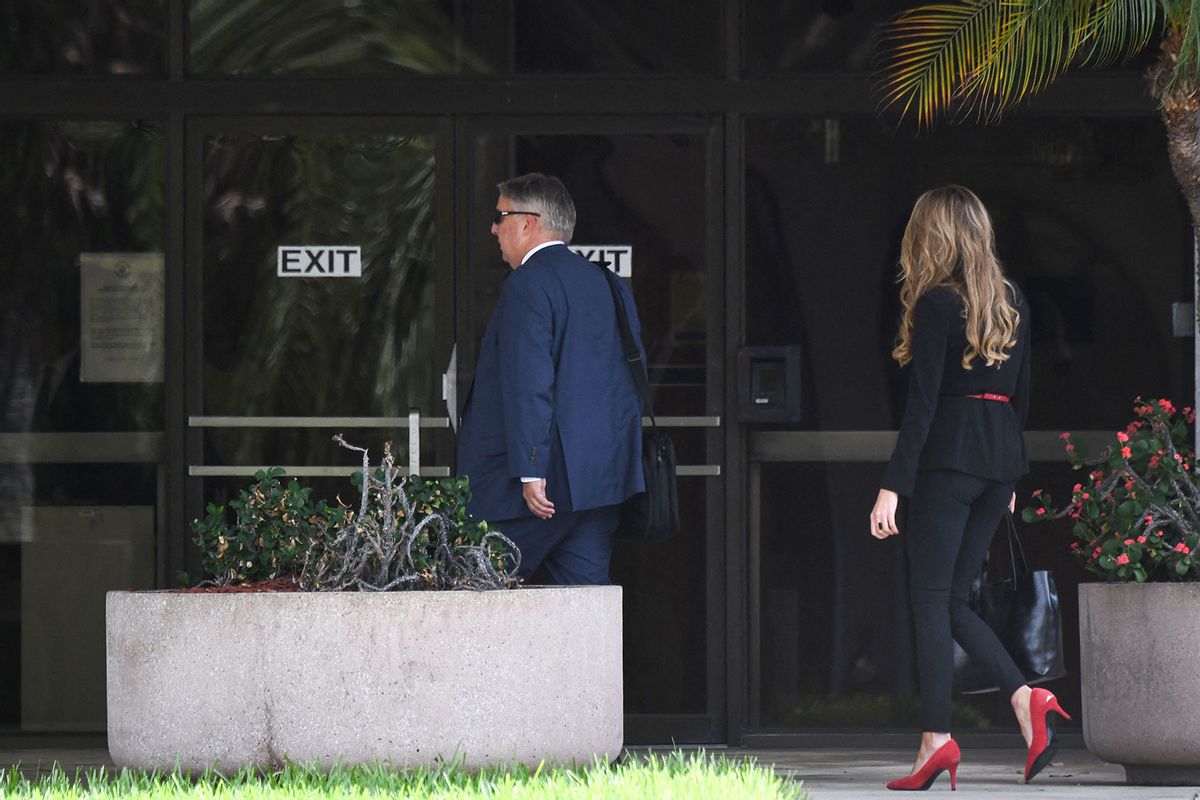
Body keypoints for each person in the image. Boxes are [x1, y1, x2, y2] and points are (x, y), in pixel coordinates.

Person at [868, 186, 1070, 791]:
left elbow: (922, 406)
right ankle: (1023, 699)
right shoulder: (1013, 302)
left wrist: (891, 487)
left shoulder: (936, 304)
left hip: (948, 465)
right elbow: (1022, 396)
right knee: (954, 601)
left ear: (931, 238)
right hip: (998, 465)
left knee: (930, 599)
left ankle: (937, 738)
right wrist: (1008, 476)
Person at [456, 172, 645, 585]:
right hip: (596, 488)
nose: (493, 227)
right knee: (585, 615)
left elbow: (530, 382)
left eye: (500, 215)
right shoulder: (609, 284)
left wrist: (530, 472)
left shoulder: (529, 283)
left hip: (527, 495)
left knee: (476, 603)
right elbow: (626, 382)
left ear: (528, 222)